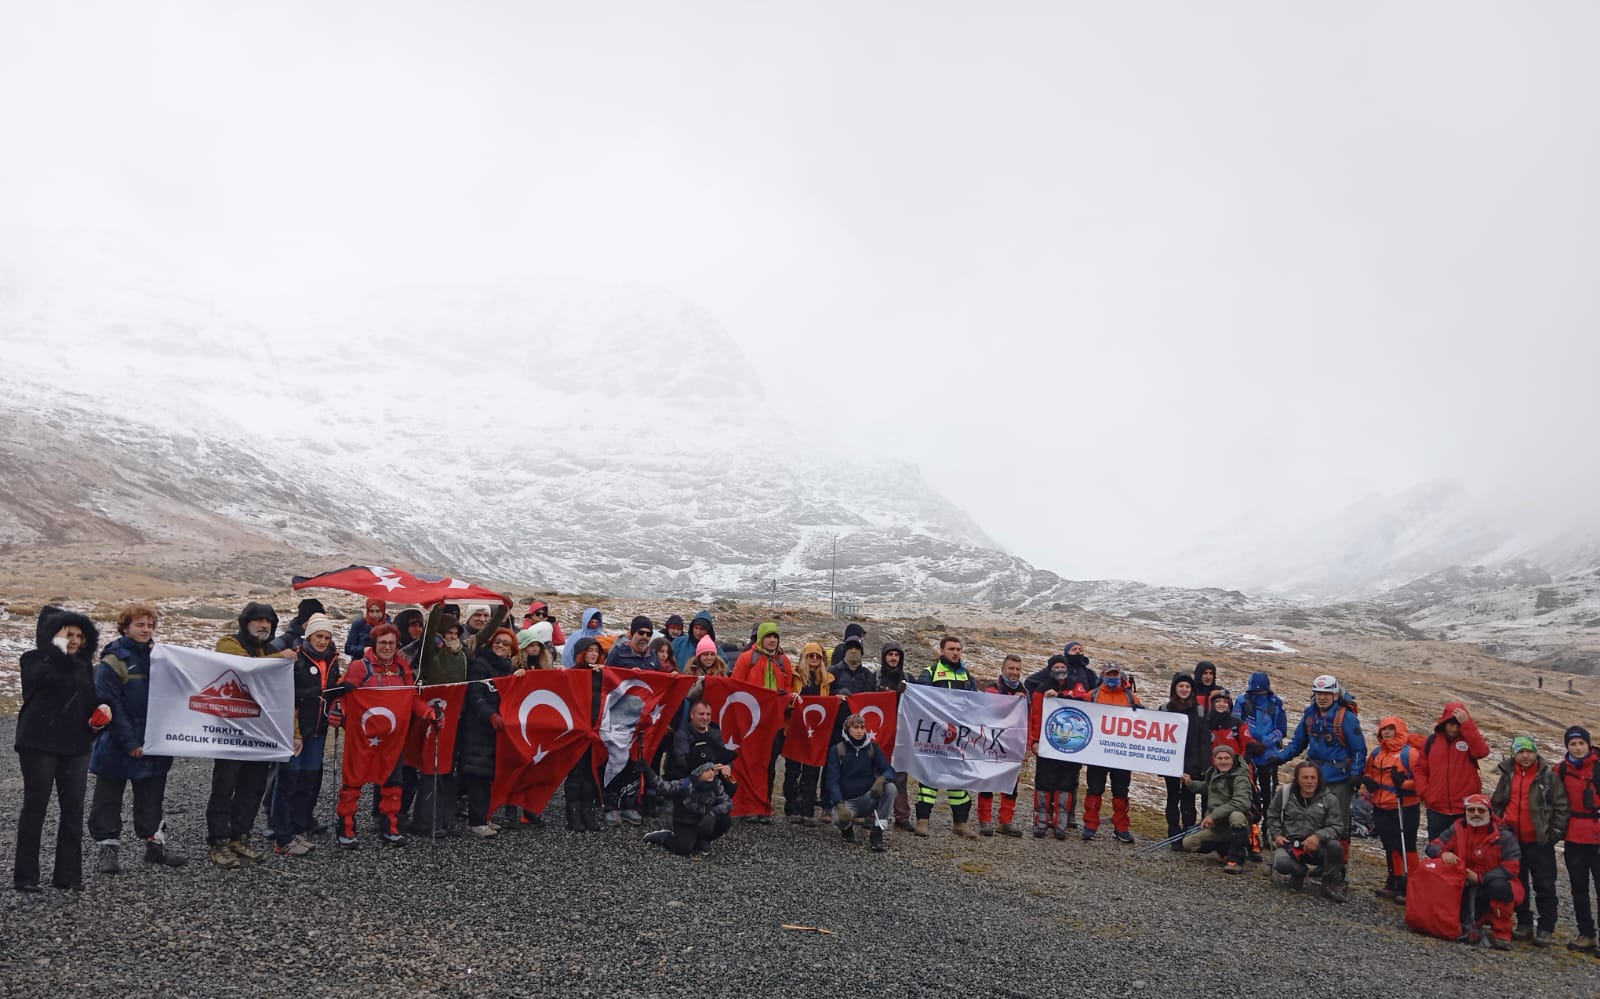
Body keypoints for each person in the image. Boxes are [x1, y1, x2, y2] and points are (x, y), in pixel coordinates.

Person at [14, 607, 109, 892]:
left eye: (80, 635)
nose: (75, 640)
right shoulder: (32, 660)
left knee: (73, 810)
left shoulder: (84, 667)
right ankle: (26, 876)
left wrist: (103, 709)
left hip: (76, 745)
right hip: (38, 743)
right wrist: (56, 647)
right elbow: (47, 680)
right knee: (35, 808)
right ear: (52, 636)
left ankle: (68, 876)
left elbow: (89, 699)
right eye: (68, 634)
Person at [88, 604, 186, 874]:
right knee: (108, 798)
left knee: (152, 796)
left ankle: (155, 846)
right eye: (140, 625)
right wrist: (130, 743)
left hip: (155, 740)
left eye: (150, 625)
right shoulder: (113, 661)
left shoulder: (161, 657)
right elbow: (111, 705)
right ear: (125, 627)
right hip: (118, 744)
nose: (146, 630)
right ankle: (108, 849)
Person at [328, 623, 433, 849]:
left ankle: (389, 824)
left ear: (397, 646)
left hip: (392, 739)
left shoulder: (403, 669)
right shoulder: (360, 667)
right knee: (353, 781)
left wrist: (427, 711)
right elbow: (343, 693)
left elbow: (411, 698)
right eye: (382, 643)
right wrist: (338, 709)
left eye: (391, 643)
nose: (387, 647)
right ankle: (346, 825)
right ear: (374, 644)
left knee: (393, 781)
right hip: (363, 737)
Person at [207, 602, 294, 869]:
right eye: (257, 620)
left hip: (260, 735)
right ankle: (218, 841)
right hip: (231, 734)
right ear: (245, 623)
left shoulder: (272, 650)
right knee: (224, 788)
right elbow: (242, 667)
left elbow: (286, 697)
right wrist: (280, 660)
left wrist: (295, 733)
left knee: (252, 788)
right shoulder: (229, 643)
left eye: (268, 621)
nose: (264, 625)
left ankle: (239, 836)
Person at [1263, 674, 1365, 858]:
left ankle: (1335, 867)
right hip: (1314, 778)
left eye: (1326, 693)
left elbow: (1359, 749)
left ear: (1335, 695)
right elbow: (1298, 743)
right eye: (1318, 693)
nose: (1322, 697)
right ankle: (1308, 858)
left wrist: (1356, 774)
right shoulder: (1310, 716)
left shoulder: (1346, 718)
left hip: (1340, 780)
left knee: (1338, 824)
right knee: (1313, 820)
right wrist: (1280, 758)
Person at [271, 614, 341, 857]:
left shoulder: (332, 660)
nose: (322, 641)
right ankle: (281, 835)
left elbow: (331, 693)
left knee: (308, 783)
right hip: (297, 733)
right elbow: (287, 698)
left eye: (327, 637)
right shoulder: (297, 659)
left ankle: (298, 830)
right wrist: (295, 732)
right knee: (288, 782)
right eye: (318, 636)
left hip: (318, 732)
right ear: (309, 635)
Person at [1491, 735, 1570, 946]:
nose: (1525, 756)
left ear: (1536, 752)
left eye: (1529, 751)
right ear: (1514, 754)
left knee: (1544, 885)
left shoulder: (1548, 776)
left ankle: (1545, 928)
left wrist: (1553, 835)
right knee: (1519, 884)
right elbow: (1497, 802)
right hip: (1513, 841)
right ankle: (1524, 923)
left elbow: (1561, 807)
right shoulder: (1508, 774)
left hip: (1540, 842)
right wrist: (1500, 825)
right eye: (1520, 751)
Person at [1425, 794, 1522, 949]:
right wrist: (1442, 853)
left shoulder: (1503, 835)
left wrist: (1480, 878)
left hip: (1491, 882)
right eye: (1471, 810)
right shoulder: (1458, 828)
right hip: (1463, 881)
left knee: (1500, 888)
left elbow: (1511, 868)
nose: (1476, 813)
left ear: (1490, 813)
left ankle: (1502, 932)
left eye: (1481, 810)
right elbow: (1432, 846)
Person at [459, 628, 524, 838]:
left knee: (488, 776)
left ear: (511, 651)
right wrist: (490, 715)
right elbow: (475, 695)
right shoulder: (480, 664)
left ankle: (484, 817)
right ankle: (476, 822)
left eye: (506, 644)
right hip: (478, 729)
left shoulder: (506, 669)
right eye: (498, 642)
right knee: (477, 775)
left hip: (496, 731)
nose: (501, 646)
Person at [913, 636, 978, 838]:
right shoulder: (930, 673)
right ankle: (922, 820)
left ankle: (960, 823)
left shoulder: (967, 676)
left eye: (958, 649)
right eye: (951, 649)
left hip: (958, 737)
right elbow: (920, 698)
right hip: (934, 735)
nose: (955, 652)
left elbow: (977, 702)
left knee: (957, 778)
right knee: (928, 778)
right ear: (942, 651)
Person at [732, 622, 793, 823]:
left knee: (768, 766)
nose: (772, 640)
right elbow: (735, 688)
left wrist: (786, 699)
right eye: (768, 636)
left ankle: (763, 806)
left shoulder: (784, 662)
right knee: (748, 764)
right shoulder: (747, 659)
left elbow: (789, 688)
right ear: (760, 638)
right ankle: (747, 806)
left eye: (775, 636)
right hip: (750, 724)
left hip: (773, 724)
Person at [1025, 654, 1090, 838]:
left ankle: (1060, 824)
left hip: (1072, 744)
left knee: (1066, 783)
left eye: (1063, 667)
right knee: (1044, 781)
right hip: (1047, 743)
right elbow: (1036, 717)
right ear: (1050, 669)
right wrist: (1034, 741)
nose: (1060, 670)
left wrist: (1060, 696)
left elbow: (1084, 701)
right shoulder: (1042, 688)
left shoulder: (1076, 684)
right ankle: (1041, 822)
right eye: (1056, 667)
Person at [1264, 760, 1348, 901]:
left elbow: (1336, 826)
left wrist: (1317, 836)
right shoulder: (1284, 794)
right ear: (1297, 779)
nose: (1309, 781)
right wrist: (1277, 835)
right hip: (1289, 844)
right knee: (1283, 864)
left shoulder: (1329, 799)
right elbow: (1272, 816)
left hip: (1318, 846)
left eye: (1313, 778)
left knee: (1335, 847)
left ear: (1318, 779)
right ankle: (1298, 872)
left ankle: (1328, 885)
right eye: (1305, 777)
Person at [1360, 716, 1422, 903]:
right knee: (1389, 844)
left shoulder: (1410, 754)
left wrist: (1405, 784)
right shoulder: (1377, 753)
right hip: (1381, 806)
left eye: (1390, 729)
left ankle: (1411, 884)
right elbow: (1369, 772)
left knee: (1406, 846)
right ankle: (1394, 880)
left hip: (1404, 806)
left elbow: (1422, 781)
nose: (1386, 732)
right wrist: (1369, 782)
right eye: (1383, 729)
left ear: (1399, 730)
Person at [1082, 663, 1140, 844]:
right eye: (1109, 674)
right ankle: (1090, 825)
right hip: (1097, 752)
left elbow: (1142, 721)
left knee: (1121, 791)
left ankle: (1121, 827)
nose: (1112, 678)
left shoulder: (1132, 697)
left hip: (1122, 754)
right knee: (1095, 789)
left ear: (1120, 675)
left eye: (1115, 674)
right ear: (1103, 675)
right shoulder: (1092, 695)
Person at [823, 713, 897, 852]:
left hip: (868, 797)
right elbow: (831, 780)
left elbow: (890, 770)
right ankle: (846, 828)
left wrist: (882, 779)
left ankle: (877, 831)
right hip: (848, 801)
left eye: (862, 727)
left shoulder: (872, 748)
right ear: (847, 729)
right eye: (855, 727)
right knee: (838, 818)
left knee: (891, 788)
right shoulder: (837, 749)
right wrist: (839, 804)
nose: (859, 731)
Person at [1419, 701, 1491, 840]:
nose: (1454, 728)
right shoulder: (1431, 742)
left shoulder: (1470, 740)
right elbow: (1420, 769)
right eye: (1451, 724)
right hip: (1436, 808)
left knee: (1465, 852)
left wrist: (1467, 724)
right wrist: (1426, 792)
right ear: (1444, 723)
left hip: (1465, 808)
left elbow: (1482, 752)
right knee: (1437, 850)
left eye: (1458, 724)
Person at [1556, 725, 1600, 954]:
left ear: (1588, 744)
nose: (1577, 747)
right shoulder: (1561, 770)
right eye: (1572, 744)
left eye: (1581, 743)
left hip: (1597, 834)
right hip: (1574, 837)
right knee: (1578, 888)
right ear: (1567, 747)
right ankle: (1587, 935)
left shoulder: (1599, 767)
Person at [782, 642, 835, 825]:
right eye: (810, 656)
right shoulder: (794, 675)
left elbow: (831, 701)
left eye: (817, 656)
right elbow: (785, 694)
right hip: (796, 731)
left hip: (816, 733)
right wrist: (791, 699)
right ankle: (792, 807)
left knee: (812, 771)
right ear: (804, 657)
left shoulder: (827, 679)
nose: (814, 659)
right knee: (793, 770)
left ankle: (808, 809)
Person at [1181, 745, 1255, 874]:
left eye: (1227, 758)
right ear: (1214, 760)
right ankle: (1224, 850)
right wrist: (1191, 783)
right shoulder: (1213, 772)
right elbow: (1207, 787)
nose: (1223, 761)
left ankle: (1235, 859)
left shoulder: (1240, 777)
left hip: (1232, 823)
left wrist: (1213, 816)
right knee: (1188, 843)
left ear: (1232, 760)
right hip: (1217, 825)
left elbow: (1242, 802)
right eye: (1219, 758)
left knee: (1236, 816)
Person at [977, 655, 1026, 837]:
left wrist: (1026, 746)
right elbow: (994, 707)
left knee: (1011, 785)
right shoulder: (993, 687)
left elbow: (1027, 721)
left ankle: (1005, 821)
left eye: (1017, 670)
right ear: (1003, 669)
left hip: (1013, 744)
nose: (1014, 673)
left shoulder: (1024, 692)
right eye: (1011, 669)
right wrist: (1013, 699)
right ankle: (985, 820)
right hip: (991, 742)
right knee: (987, 781)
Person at [1161, 671, 1209, 851]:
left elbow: (1204, 741)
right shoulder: (1165, 709)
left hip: (1192, 763)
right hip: (1170, 762)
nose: (1184, 689)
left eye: (1187, 686)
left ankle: (1187, 833)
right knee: (1172, 798)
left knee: (1188, 799)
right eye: (1180, 686)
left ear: (1192, 689)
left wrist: (1203, 766)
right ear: (1174, 688)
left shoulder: (1200, 711)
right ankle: (1173, 834)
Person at [645, 762, 735, 858]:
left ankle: (703, 840)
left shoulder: (716, 784)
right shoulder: (685, 784)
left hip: (704, 820)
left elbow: (728, 803)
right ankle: (664, 836)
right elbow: (663, 787)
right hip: (686, 822)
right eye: (707, 770)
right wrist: (648, 772)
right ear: (697, 772)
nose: (711, 773)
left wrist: (712, 812)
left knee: (725, 821)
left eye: (712, 770)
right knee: (683, 849)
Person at [562, 636, 606, 832]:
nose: (594, 654)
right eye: (590, 650)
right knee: (576, 772)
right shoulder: (572, 673)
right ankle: (573, 812)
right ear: (581, 653)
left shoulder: (604, 674)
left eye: (597, 650)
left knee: (591, 772)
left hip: (596, 731)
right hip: (576, 732)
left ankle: (587, 811)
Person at [1238, 672, 1287, 820]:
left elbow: (1281, 729)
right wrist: (1250, 742)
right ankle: (1248, 830)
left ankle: (1268, 829)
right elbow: (1236, 723)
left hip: (1269, 756)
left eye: (1261, 691)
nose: (1258, 694)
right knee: (1246, 793)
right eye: (1255, 691)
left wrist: (1265, 743)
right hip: (1247, 755)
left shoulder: (1276, 703)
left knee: (1269, 796)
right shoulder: (1241, 701)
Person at [876, 640, 912, 831]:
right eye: (890, 654)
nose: (893, 658)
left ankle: (902, 816)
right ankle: (871, 812)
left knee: (900, 775)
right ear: (884, 657)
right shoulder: (875, 677)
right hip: (880, 733)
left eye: (897, 655)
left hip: (900, 734)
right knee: (875, 773)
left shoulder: (908, 678)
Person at [669, 699, 734, 780]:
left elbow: (726, 756)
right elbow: (682, 762)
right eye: (701, 714)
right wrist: (708, 768)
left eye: (708, 714)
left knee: (731, 782)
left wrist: (728, 767)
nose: (705, 718)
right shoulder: (682, 734)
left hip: (715, 773)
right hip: (690, 777)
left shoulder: (716, 733)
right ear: (692, 715)